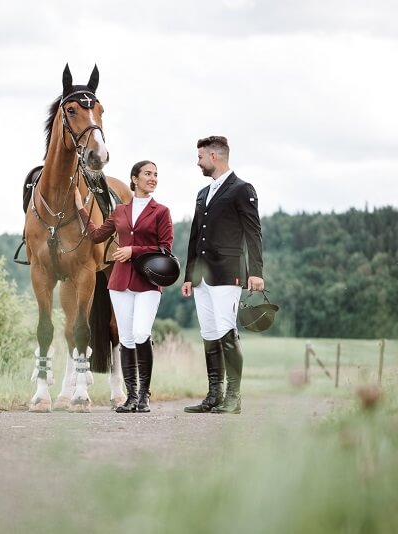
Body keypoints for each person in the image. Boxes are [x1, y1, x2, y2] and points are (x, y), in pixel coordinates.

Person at [74, 160, 173, 413]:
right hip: (119, 282)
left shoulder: (161, 211)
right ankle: (130, 397)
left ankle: (144, 395)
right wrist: (81, 210)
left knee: (141, 334)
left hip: (148, 281)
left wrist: (132, 250)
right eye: (148, 174)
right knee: (126, 338)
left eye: (155, 174)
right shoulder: (119, 211)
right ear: (135, 178)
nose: (153, 178)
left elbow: (165, 248)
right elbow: (96, 236)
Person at [181, 136, 264, 414]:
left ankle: (233, 397)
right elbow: (195, 236)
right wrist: (189, 276)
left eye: (200, 157)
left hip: (228, 274)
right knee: (209, 335)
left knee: (227, 333)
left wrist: (256, 273)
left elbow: (253, 232)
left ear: (214, 156)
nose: (198, 162)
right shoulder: (202, 193)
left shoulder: (242, 189)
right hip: (202, 277)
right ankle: (214, 395)